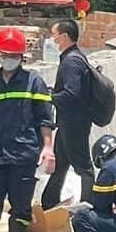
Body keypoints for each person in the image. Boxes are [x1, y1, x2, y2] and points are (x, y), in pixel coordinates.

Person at [0, 26, 55, 232]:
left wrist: (48, 148)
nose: (9, 60)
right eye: (5, 55)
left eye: (13, 56)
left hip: (23, 153)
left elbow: (45, 119)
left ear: (21, 57)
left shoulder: (33, 82)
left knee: (21, 206)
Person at [42, 18, 94, 210]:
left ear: (64, 37)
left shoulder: (72, 62)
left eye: (54, 36)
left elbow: (72, 93)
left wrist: (52, 97)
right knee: (61, 163)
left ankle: (91, 204)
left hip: (74, 122)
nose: (52, 40)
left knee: (83, 167)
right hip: (67, 121)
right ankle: (49, 202)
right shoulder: (71, 58)